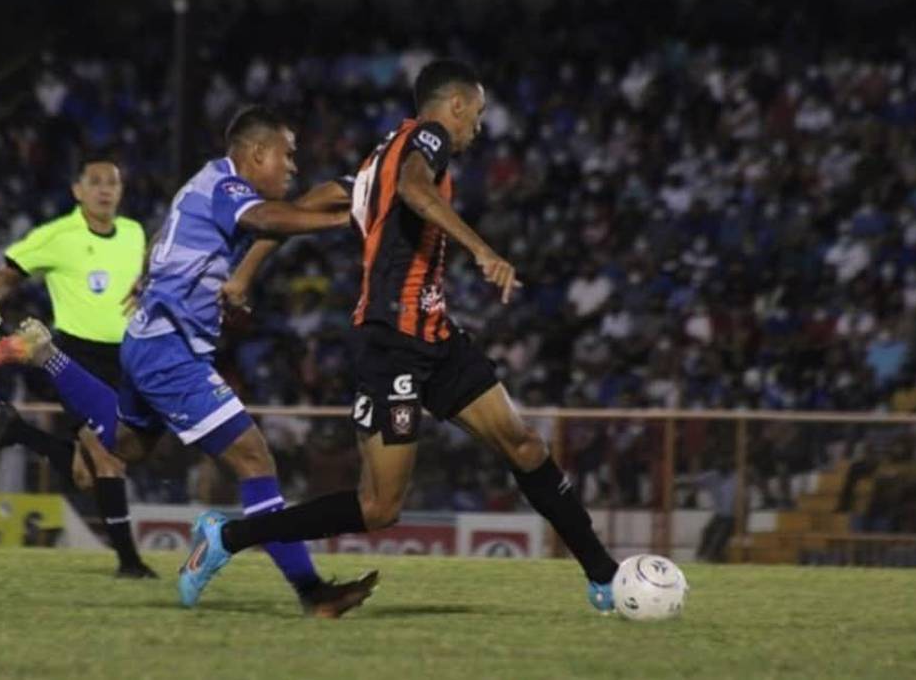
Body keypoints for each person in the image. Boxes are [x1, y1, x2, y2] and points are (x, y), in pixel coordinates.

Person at [176, 60, 622, 612]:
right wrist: (481, 249)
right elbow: (413, 187)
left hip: (436, 334)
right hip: (392, 342)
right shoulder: (428, 139)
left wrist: (245, 273)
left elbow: (314, 199)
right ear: (455, 106)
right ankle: (228, 536)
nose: (478, 127)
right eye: (477, 113)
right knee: (379, 507)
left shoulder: (379, 158)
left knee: (524, 444)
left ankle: (605, 577)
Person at [0, 106, 378, 618]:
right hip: (170, 350)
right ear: (258, 153)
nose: (293, 165)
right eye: (288, 155)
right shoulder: (227, 187)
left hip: (149, 339)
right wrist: (351, 218)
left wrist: (352, 190)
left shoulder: (210, 182)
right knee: (254, 460)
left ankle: (46, 355)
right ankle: (309, 590)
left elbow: (281, 214)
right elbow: (268, 220)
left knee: (127, 445)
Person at [0, 156, 155, 578]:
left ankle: (19, 432)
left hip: (128, 357)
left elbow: (148, 277)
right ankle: (129, 563)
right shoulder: (58, 235)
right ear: (78, 191)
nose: (105, 189)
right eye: (95, 182)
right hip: (76, 358)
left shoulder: (134, 233)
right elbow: (7, 273)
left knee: (87, 475)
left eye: (112, 182)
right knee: (108, 458)